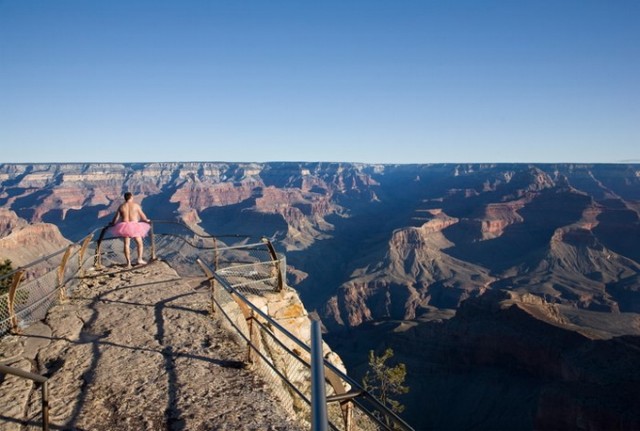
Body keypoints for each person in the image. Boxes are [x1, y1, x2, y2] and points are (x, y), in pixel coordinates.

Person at [108, 192, 151, 268]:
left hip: (124, 226)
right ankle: (139, 259)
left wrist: (112, 223)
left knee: (126, 245)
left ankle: (128, 263)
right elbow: (142, 215)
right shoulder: (136, 206)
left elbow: (116, 218)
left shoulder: (121, 206)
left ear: (125, 198)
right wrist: (146, 220)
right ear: (131, 197)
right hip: (135, 226)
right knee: (139, 243)